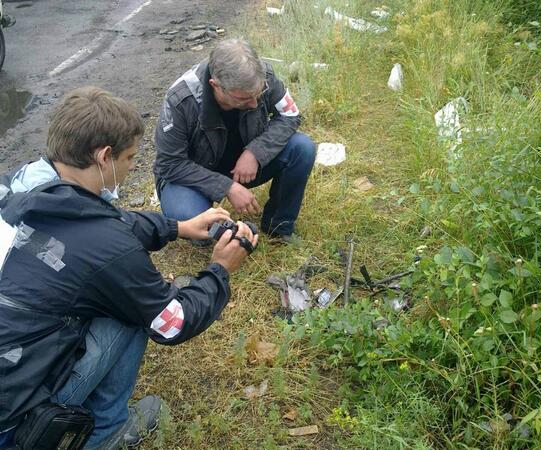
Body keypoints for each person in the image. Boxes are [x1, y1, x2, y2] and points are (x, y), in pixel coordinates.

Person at [0, 87, 258, 450]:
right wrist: (219, 269)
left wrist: (178, 227)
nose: (134, 166)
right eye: (131, 157)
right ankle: (106, 433)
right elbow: (172, 323)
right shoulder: (108, 249)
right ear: (105, 157)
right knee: (130, 309)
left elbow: (106, 219)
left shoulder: (18, 185)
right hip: (12, 421)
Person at [154, 38, 316, 243]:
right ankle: (228, 233)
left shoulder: (263, 76)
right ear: (216, 86)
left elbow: (290, 116)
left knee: (302, 147)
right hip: (193, 177)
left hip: (243, 165)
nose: (254, 103)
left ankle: (279, 226)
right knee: (193, 221)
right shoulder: (181, 100)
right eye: (244, 99)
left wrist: (255, 152)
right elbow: (169, 164)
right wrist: (227, 187)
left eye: (257, 94)